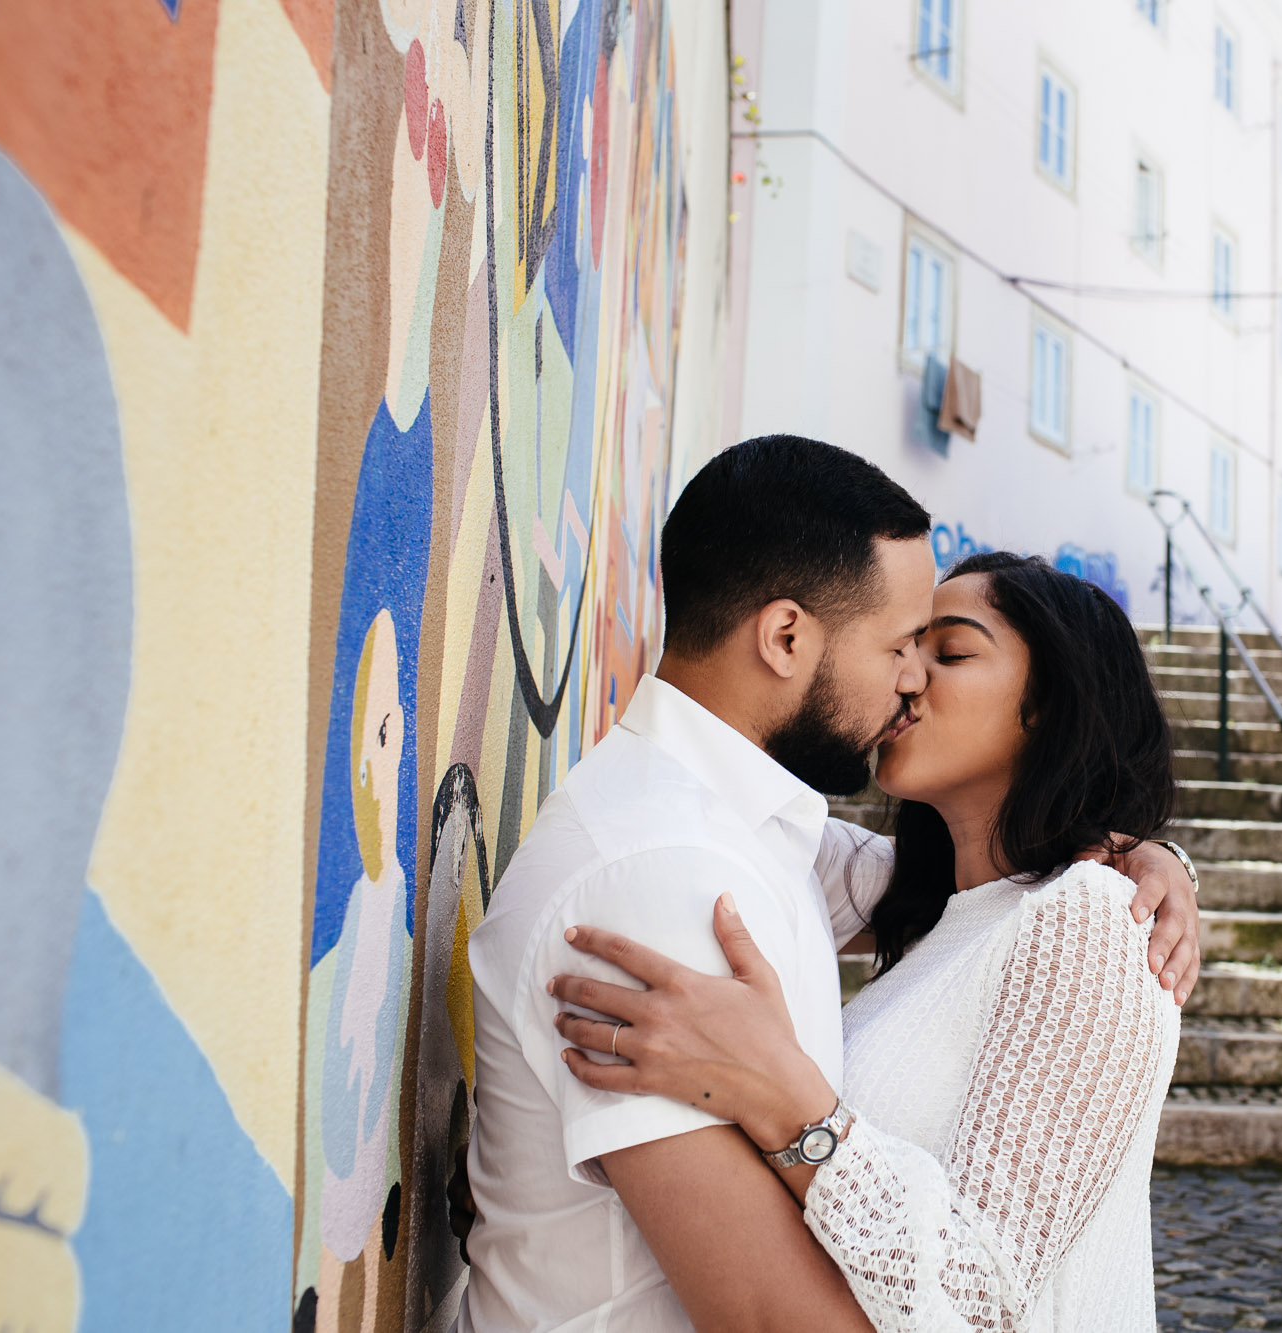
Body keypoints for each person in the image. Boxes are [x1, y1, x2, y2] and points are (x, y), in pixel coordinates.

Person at [456, 438, 1198, 1332]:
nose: (911, 676)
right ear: (785, 636)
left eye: (946, 651)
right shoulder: (679, 868)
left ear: (1049, 709)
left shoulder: (1077, 914)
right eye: (902, 643)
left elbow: (986, 1301)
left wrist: (791, 1099)